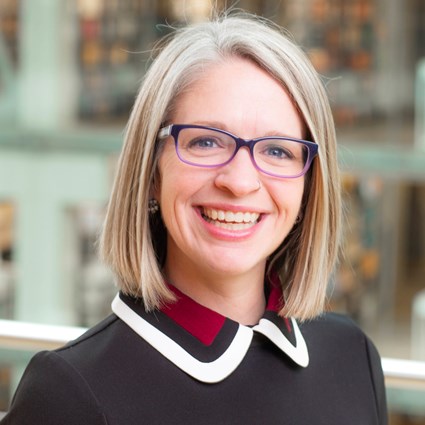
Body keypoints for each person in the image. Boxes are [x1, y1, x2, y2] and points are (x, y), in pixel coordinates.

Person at [1, 13, 388, 425]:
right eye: (206, 141)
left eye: (277, 151)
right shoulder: (68, 394)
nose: (239, 182)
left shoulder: (353, 358)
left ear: (309, 185)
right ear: (151, 172)